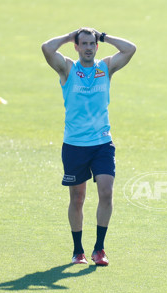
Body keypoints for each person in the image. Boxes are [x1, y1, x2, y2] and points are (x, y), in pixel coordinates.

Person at [41, 28, 136, 266]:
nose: (88, 48)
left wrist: (104, 36)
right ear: (76, 46)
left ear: (96, 46)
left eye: (92, 44)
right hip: (75, 145)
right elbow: (46, 48)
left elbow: (130, 49)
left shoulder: (105, 68)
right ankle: (78, 251)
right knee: (78, 197)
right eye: (83, 44)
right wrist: (68, 35)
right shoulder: (68, 69)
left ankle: (99, 249)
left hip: (102, 143)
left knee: (106, 192)